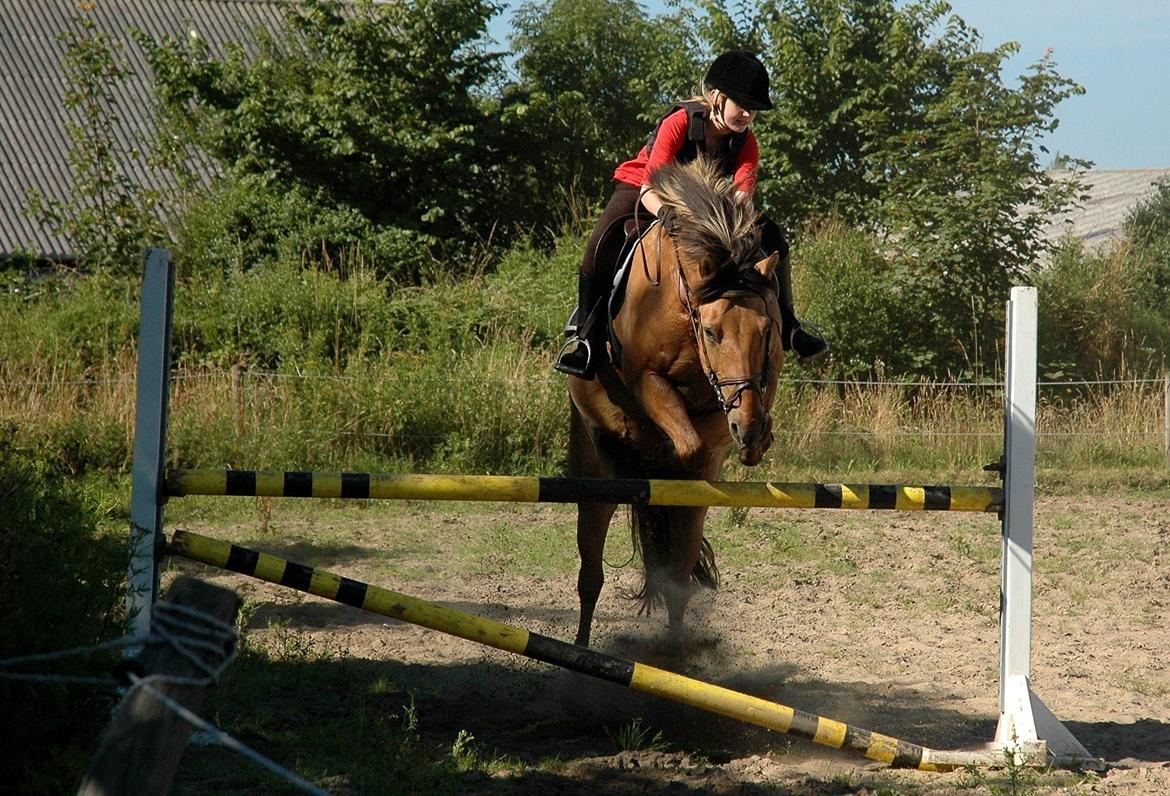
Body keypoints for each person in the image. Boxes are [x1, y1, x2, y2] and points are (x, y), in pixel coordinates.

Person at [554, 50, 828, 380]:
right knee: (601, 240)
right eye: (741, 104)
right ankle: (586, 337)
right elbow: (649, 188)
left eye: (753, 109)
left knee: (774, 237)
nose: (746, 114)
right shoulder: (680, 122)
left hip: (704, 201)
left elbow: (741, 199)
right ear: (717, 97)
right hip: (645, 189)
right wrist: (669, 217)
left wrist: (739, 235)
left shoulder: (746, 143)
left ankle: (791, 326)